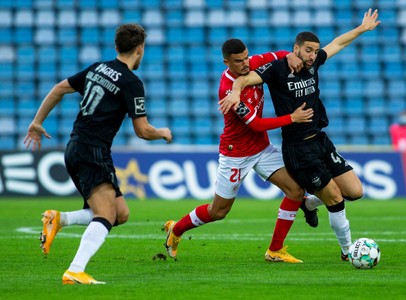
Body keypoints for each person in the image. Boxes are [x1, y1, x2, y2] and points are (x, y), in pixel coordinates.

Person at [219, 8, 380, 261]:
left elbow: (337, 43)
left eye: (315, 51)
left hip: (320, 141)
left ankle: (309, 203)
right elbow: (243, 79)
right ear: (296, 48)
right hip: (298, 149)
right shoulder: (276, 69)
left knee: (355, 192)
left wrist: (362, 28)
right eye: (308, 50)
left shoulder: (313, 62)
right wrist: (235, 92)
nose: (313, 56)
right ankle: (348, 251)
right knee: (336, 198)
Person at [24, 23, 172, 284]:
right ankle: (75, 270)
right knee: (105, 215)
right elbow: (142, 130)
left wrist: (37, 121)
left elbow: (59, 88)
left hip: (76, 146)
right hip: (92, 151)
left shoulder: (97, 68)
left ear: (116, 46)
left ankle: (59, 219)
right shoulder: (131, 82)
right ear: (140, 49)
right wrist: (162, 132)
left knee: (120, 214)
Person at [163, 38, 322, 264]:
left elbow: (276, 55)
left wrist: (290, 55)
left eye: (247, 57)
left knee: (295, 191)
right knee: (218, 211)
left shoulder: (253, 63)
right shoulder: (227, 90)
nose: (245, 64)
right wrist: (291, 118)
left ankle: (275, 250)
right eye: (238, 61)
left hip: (262, 148)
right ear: (226, 62)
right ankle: (176, 229)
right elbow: (256, 124)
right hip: (235, 153)